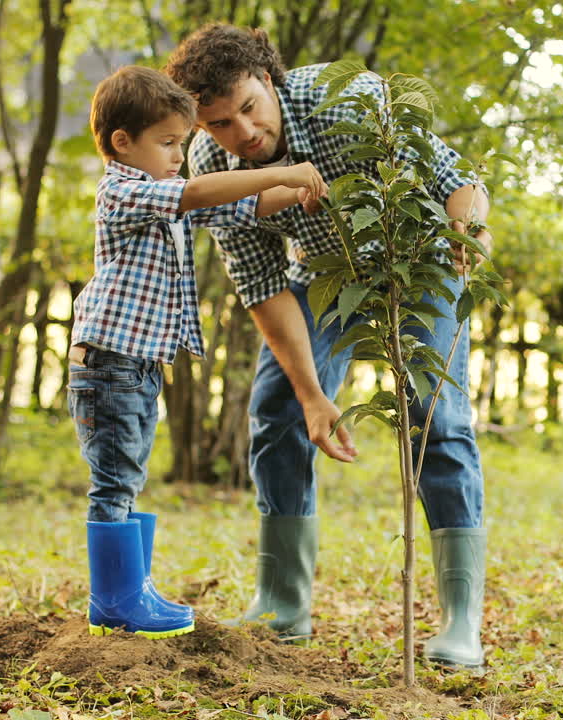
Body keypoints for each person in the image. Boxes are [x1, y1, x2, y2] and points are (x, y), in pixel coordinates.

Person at [165, 24, 494, 666]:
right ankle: (283, 606)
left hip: (418, 264)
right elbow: (262, 285)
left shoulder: (347, 103)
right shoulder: (211, 165)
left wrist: (468, 232)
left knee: (437, 420)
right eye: (220, 124)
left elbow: (458, 178)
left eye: (249, 110)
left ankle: (461, 623)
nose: (244, 134)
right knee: (279, 411)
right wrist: (313, 395)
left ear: (268, 77)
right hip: (324, 276)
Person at [72, 65, 328, 639]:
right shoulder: (124, 189)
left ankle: (131, 591)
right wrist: (280, 172)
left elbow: (238, 208)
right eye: (167, 143)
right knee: (114, 480)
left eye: (182, 145)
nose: (177, 157)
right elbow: (199, 191)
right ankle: (113, 601)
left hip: (132, 365)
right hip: (109, 362)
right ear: (122, 143)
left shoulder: (163, 194)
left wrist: (304, 188)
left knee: (128, 473)